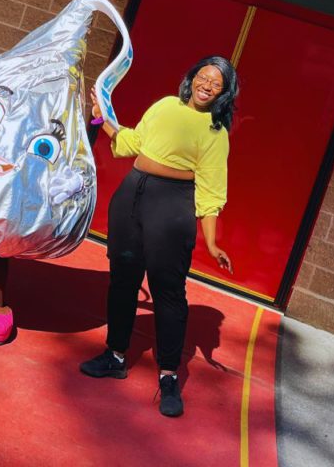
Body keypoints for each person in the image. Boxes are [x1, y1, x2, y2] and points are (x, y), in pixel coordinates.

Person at [79, 57, 236, 418]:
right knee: (123, 281)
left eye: (216, 83)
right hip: (131, 195)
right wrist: (100, 116)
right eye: (203, 77)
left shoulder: (215, 132)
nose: (207, 85)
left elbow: (211, 193)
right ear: (192, 77)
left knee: (167, 292)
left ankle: (168, 376)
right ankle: (115, 356)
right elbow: (131, 142)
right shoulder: (166, 105)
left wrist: (211, 243)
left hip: (172, 205)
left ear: (224, 93)